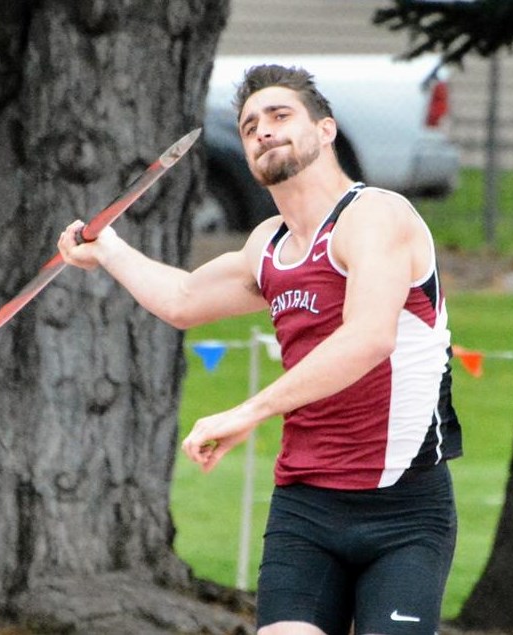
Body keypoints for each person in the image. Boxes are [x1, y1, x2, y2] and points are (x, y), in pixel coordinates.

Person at [58, 64, 462, 635]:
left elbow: (369, 337)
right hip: (306, 508)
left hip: (404, 508)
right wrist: (108, 251)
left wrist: (249, 412)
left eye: (280, 116)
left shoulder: (375, 216)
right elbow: (182, 297)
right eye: (250, 127)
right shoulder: (267, 246)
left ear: (325, 129)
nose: (263, 131)